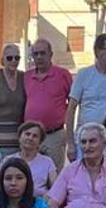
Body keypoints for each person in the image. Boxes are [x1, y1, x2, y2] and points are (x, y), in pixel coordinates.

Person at [66, 33, 106, 163]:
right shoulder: (84, 75)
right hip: (85, 141)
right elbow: (71, 108)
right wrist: (70, 143)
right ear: (98, 51)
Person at [23, 38, 74, 171]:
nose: (39, 57)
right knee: (31, 171)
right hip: (31, 136)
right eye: (36, 54)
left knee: (54, 174)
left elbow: (72, 104)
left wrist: (69, 137)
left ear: (50, 54)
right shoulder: (27, 77)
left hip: (54, 135)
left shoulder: (63, 75)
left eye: (42, 53)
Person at [6, 121, 58, 197]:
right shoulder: (8, 160)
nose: (30, 138)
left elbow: (56, 189)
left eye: (35, 136)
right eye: (27, 134)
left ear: (40, 142)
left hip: (38, 204)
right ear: (19, 137)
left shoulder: (47, 162)